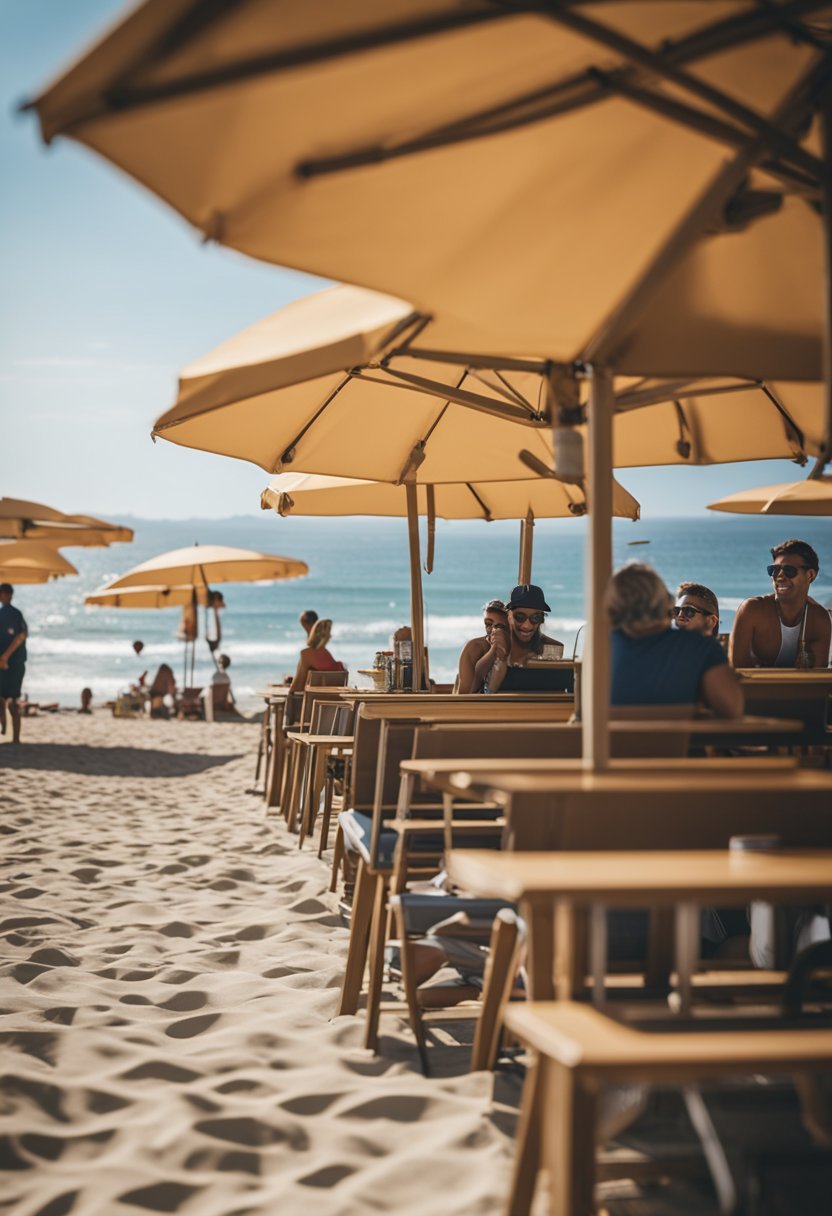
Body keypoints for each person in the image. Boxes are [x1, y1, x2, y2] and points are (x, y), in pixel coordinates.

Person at [608, 563, 742, 716]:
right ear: (665, 603)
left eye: (689, 611)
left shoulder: (602, 645)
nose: (680, 615)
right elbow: (733, 710)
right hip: (673, 740)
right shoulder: (701, 647)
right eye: (676, 610)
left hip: (610, 740)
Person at [730, 539, 831, 669]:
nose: (780, 576)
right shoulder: (752, 610)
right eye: (774, 570)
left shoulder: (819, 619)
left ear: (810, 575)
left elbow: (817, 679)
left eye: (789, 570)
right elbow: (737, 671)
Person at [484, 584, 566, 693]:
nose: (527, 625)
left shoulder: (552, 648)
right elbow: (487, 694)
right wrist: (501, 659)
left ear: (542, 619)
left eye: (535, 618)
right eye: (520, 617)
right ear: (508, 615)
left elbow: (555, 692)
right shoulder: (492, 645)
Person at [455, 599, 508, 693]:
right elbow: (465, 696)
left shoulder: (515, 649)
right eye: (488, 624)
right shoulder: (474, 647)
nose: (493, 630)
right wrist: (493, 650)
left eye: (500, 626)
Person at [0, 583, 27, 744]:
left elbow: (21, 635)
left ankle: (15, 738)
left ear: (9, 595)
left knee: (13, 702)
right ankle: (4, 730)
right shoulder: (3, 614)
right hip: (5, 663)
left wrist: (6, 656)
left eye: (4, 593)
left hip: (14, 664)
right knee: (3, 700)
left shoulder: (15, 614)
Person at [289, 618, 345, 695]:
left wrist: (290, 693)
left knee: (291, 694)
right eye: (330, 633)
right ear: (327, 636)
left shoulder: (306, 654)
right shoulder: (327, 655)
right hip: (334, 700)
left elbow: (298, 685)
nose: (331, 636)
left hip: (314, 701)